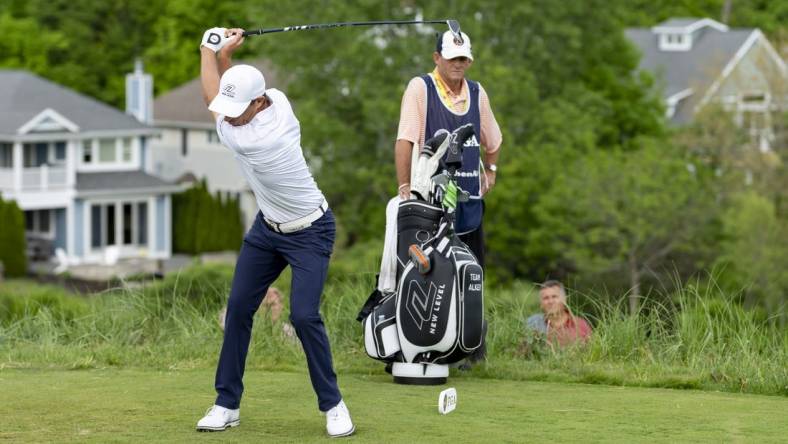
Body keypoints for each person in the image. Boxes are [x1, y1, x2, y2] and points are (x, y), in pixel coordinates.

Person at [195, 27, 354, 438]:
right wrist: (226, 59)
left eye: (238, 108)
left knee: (303, 315)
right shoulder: (276, 101)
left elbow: (210, 97)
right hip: (267, 229)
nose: (229, 114)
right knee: (238, 310)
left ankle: (334, 405)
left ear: (259, 102)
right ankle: (226, 403)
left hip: (311, 231)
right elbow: (227, 94)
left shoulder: (255, 138)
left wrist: (209, 48)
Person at [394, 28, 502, 368]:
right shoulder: (421, 88)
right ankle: (419, 346)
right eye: (453, 58)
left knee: (472, 274)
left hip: (469, 199)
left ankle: (469, 350)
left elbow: (493, 139)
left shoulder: (477, 92)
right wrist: (404, 186)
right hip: (429, 200)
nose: (459, 64)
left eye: (464, 58)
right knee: (427, 274)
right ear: (437, 57)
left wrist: (492, 170)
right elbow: (406, 139)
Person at [525, 280, 592, 347]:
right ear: (541, 303)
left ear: (564, 299)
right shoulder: (532, 323)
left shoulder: (581, 324)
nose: (550, 301)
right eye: (546, 298)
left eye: (554, 297)